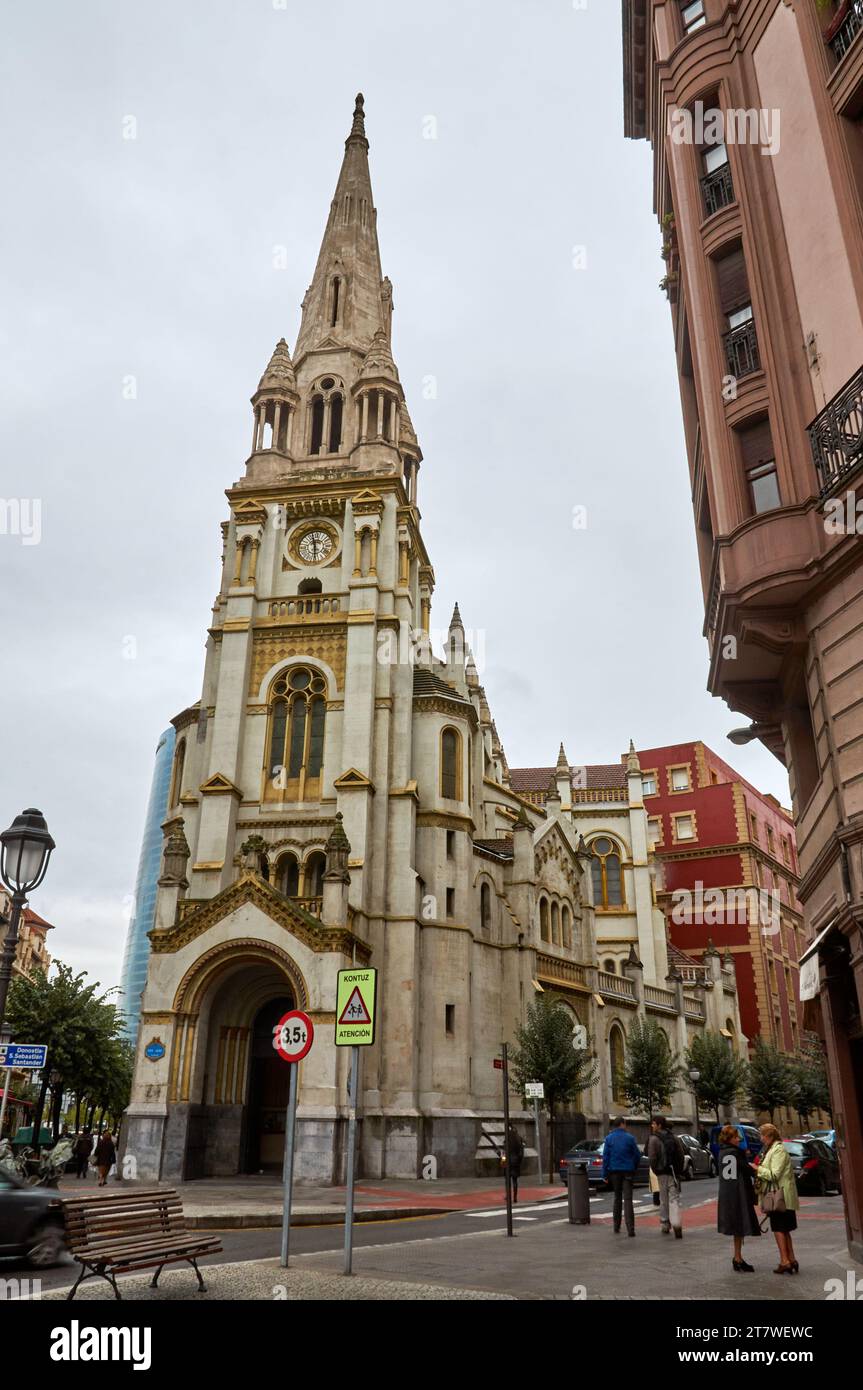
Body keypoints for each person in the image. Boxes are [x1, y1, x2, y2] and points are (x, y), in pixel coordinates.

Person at [755, 1123, 799, 1274]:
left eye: (762, 1135)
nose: (761, 1139)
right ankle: (791, 1259)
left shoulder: (778, 1150)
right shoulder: (771, 1150)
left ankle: (785, 1261)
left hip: (779, 1196)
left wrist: (757, 1169)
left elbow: (774, 1174)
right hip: (778, 1195)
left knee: (779, 1229)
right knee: (784, 1229)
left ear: (770, 1136)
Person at [716, 1123, 761, 1271]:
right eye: (736, 1137)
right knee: (740, 1224)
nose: (739, 1140)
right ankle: (738, 1258)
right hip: (738, 1193)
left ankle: (737, 1257)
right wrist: (755, 1169)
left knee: (737, 1227)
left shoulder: (722, 1152)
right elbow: (746, 1169)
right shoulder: (735, 1152)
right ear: (729, 1138)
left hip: (726, 1192)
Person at [602, 1117, 641, 1236]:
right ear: (622, 1124)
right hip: (628, 1171)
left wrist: (605, 1174)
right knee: (628, 1200)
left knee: (617, 1198)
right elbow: (637, 1155)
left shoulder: (609, 1139)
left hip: (614, 1171)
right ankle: (631, 1229)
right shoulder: (630, 1138)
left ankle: (616, 1226)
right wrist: (633, 1167)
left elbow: (606, 1157)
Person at [648, 1116, 684, 1238]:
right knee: (674, 1199)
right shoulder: (674, 1137)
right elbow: (681, 1155)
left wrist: (655, 1170)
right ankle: (677, 1224)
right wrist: (678, 1171)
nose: (652, 1126)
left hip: (662, 1173)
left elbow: (652, 1158)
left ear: (659, 1125)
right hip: (673, 1173)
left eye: (653, 1124)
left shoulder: (654, 1139)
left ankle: (665, 1224)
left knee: (664, 1199)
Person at [505, 1123, 525, 1204]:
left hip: (508, 1161)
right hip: (515, 1161)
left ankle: (508, 1196)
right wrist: (519, 1161)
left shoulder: (508, 1138)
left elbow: (504, 1149)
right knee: (515, 1180)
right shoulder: (518, 1138)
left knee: (507, 1180)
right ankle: (515, 1198)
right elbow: (521, 1152)